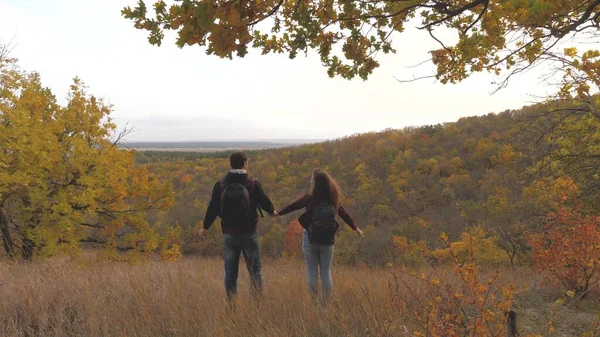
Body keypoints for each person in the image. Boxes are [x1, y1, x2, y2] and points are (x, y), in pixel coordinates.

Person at [276, 168, 364, 302]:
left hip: (310, 240)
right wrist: (356, 229)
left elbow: (293, 206)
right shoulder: (333, 199)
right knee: (326, 273)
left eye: (312, 179)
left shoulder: (309, 199)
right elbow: (344, 214)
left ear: (316, 183)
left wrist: (278, 213)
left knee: (312, 274)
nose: (310, 181)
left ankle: (314, 303)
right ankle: (325, 306)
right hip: (328, 241)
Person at [198, 151, 276, 300]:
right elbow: (266, 203)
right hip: (249, 234)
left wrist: (205, 227)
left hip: (230, 234)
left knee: (231, 273)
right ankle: (258, 305)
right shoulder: (252, 184)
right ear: (245, 163)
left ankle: (232, 307)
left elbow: (213, 208)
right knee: (255, 271)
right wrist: (272, 212)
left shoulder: (220, 185)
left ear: (230, 164)